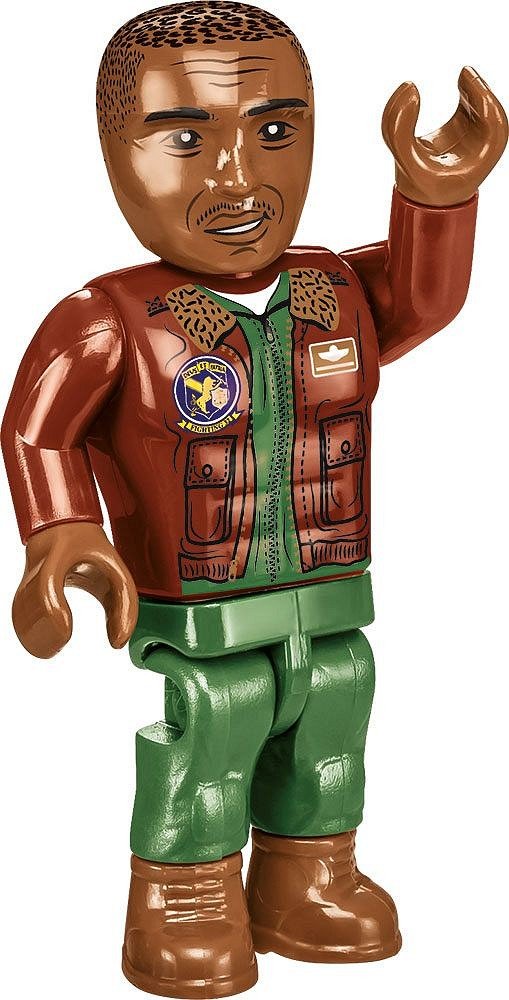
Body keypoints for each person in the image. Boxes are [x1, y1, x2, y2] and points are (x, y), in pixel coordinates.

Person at [2, 3, 507, 997]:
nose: (238, 177)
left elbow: (423, 299)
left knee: (335, 707)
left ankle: (306, 876)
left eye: (273, 130)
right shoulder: (109, 320)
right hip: (203, 599)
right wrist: (60, 532)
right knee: (219, 721)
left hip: (328, 585)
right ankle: (184, 891)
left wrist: (437, 194)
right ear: (115, 153)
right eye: (186, 140)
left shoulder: (331, 288)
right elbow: (36, 431)